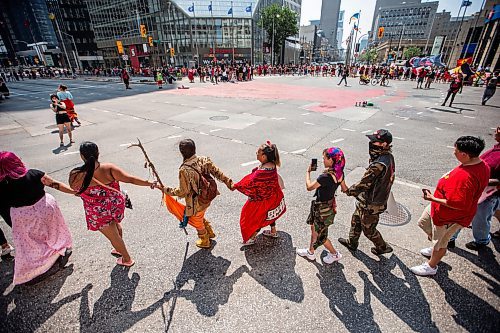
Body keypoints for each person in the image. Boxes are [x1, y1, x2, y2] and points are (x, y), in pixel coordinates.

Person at [411, 136, 489, 276]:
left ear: (465, 155)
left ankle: (432, 265)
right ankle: (437, 249)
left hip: (449, 216)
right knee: (424, 223)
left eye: (456, 150)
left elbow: (457, 204)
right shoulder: (481, 164)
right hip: (439, 209)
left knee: (441, 241)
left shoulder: (465, 178)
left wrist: (432, 198)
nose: (454, 152)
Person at [69, 142, 156, 267]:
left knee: (113, 235)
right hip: (115, 206)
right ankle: (118, 249)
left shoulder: (76, 174)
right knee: (115, 226)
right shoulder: (108, 168)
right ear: (98, 153)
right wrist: (149, 183)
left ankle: (126, 259)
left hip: (98, 211)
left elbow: (75, 190)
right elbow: (130, 179)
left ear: (82, 156)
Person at [0, 151, 74, 285]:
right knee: (53, 232)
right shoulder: (33, 173)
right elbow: (55, 184)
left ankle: (39, 266)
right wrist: (75, 192)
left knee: (31, 242)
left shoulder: (1, 185)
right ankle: (59, 250)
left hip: (23, 216)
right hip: (45, 207)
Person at [156, 139, 233, 248]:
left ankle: (204, 239)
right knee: (200, 215)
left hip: (197, 202)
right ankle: (209, 232)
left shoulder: (185, 169)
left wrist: (166, 190)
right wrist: (228, 182)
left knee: (196, 221)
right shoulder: (203, 160)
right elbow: (217, 172)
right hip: (208, 196)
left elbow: (183, 192)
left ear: (182, 152)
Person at [338, 129, 395, 255]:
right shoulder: (388, 157)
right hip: (368, 199)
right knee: (356, 220)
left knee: (369, 230)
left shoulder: (379, 164)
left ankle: (383, 247)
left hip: (372, 203)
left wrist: (348, 191)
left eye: (376, 141)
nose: (372, 143)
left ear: (384, 144)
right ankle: (352, 243)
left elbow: (364, 184)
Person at [447, 127, 499, 250]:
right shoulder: (496, 148)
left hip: (487, 195)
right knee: (460, 215)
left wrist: (479, 181)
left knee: (480, 219)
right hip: (473, 193)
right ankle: (450, 238)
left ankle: (481, 241)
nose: (496, 131)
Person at [296, 147, 346, 264]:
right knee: (314, 228)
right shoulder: (339, 173)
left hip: (322, 210)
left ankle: (335, 254)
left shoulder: (325, 177)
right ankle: (311, 252)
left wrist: (308, 172)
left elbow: (309, 187)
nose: (323, 160)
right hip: (326, 206)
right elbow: (344, 188)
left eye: (324, 158)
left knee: (321, 236)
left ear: (331, 160)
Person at [233, 141, 286, 245]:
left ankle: (251, 238)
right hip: (273, 195)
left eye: (258, 152)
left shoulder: (261, 173)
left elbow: (248, 183)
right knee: (269, 214)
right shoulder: (271, 165)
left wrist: (236, 186)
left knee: (258, 218)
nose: (256, 153)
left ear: (264, 156)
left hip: (264, 199)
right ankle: (273, 231)